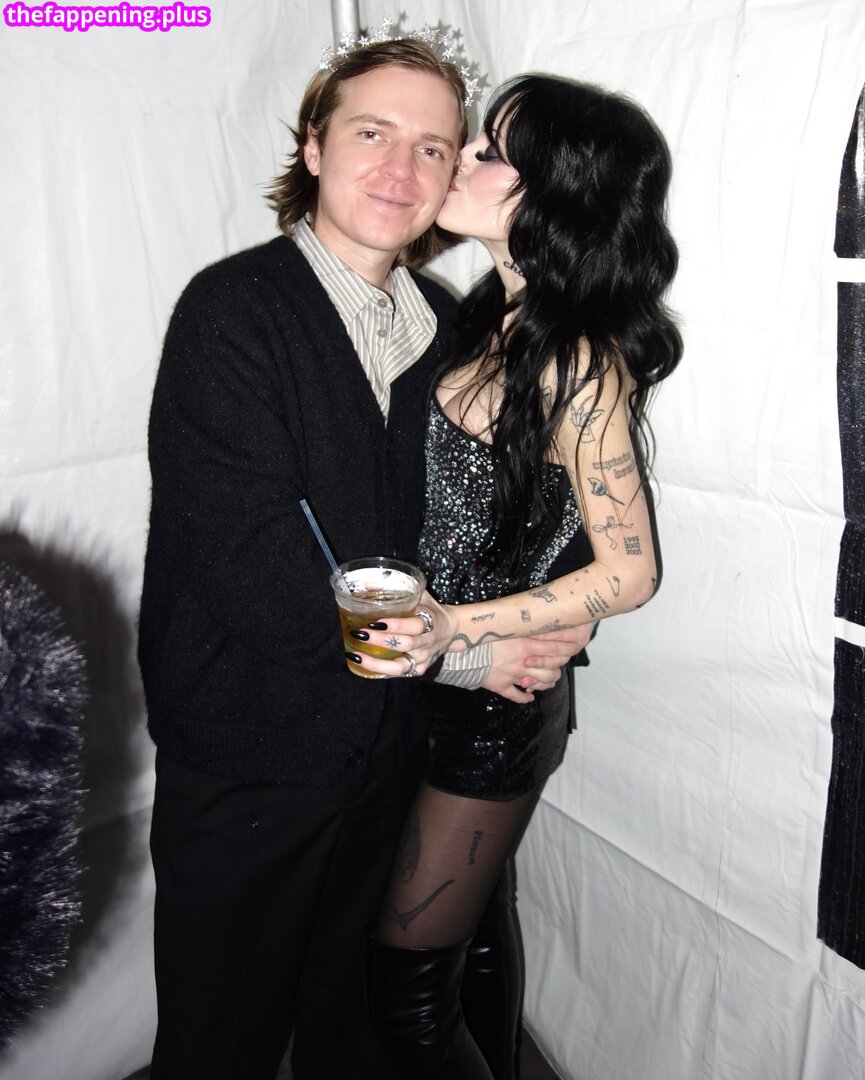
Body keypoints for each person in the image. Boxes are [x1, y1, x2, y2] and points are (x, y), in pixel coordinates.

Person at [137, 38, 588, 1080]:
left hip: (387, 751)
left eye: (432, 148)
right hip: (253, 750)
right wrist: (464, 657)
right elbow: (256, 572)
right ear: (313, 145)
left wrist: (543, 612)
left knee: (354, 1034)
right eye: (371, 133)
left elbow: (478, 519)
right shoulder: (234, 313)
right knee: (220, 1041)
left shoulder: (447, 329)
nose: (399, 169)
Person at [355, 75, 684, 1078]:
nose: (463, 158)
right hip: (445, 688)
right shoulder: (485, 317)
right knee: (474, 940)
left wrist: (460, 628)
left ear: (555, 195)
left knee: (406, 995)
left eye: (493, 152)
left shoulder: (576, 360)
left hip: (493, 712)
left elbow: (630, 571)